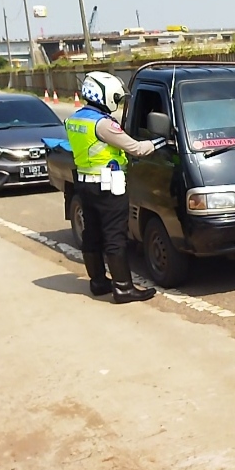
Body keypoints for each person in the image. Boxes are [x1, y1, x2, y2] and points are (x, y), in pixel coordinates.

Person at [66, 71, 163, 304]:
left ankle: (98, 282)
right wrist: (160, 141)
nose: (117, 103)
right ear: (104, 96)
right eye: (116, 98)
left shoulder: (76, 119)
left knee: (92, 233)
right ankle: (123, 288)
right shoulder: (103, 124)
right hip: (108, 187)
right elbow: (136, 148)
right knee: (114, 236)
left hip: (85, 184)